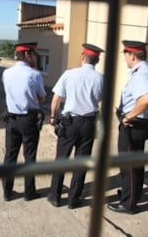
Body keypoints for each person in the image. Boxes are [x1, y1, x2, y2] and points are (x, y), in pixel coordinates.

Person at [107, 40, 148, 214]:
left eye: (125, 54)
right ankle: (132, 194)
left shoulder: (140, 75)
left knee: (128, 165)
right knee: (136, 163)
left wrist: (127, 116)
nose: (124, 58)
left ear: (131, 55)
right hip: (143, 123)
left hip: (133, 125)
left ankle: (128, 204)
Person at [47, 43, 104, 209]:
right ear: (97, 60)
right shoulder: (101, 78)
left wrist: (52, 117)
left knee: (61, 159)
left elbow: (56, 99)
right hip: (88, 123)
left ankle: (55, 196)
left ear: (82, 57)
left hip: (69, 122)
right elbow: (101, 99)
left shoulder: (69, 74)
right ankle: (73, 200)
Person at [1, 42, 47, 202]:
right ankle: (29, 192)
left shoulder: (6, 73)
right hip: (29, 120)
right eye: (34, 54)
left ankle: (7, 192)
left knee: (10, 156)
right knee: (29, 156)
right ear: (28, 54)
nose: (36, 57)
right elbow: (42, 98)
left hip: (11, 119)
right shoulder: (34, 74)